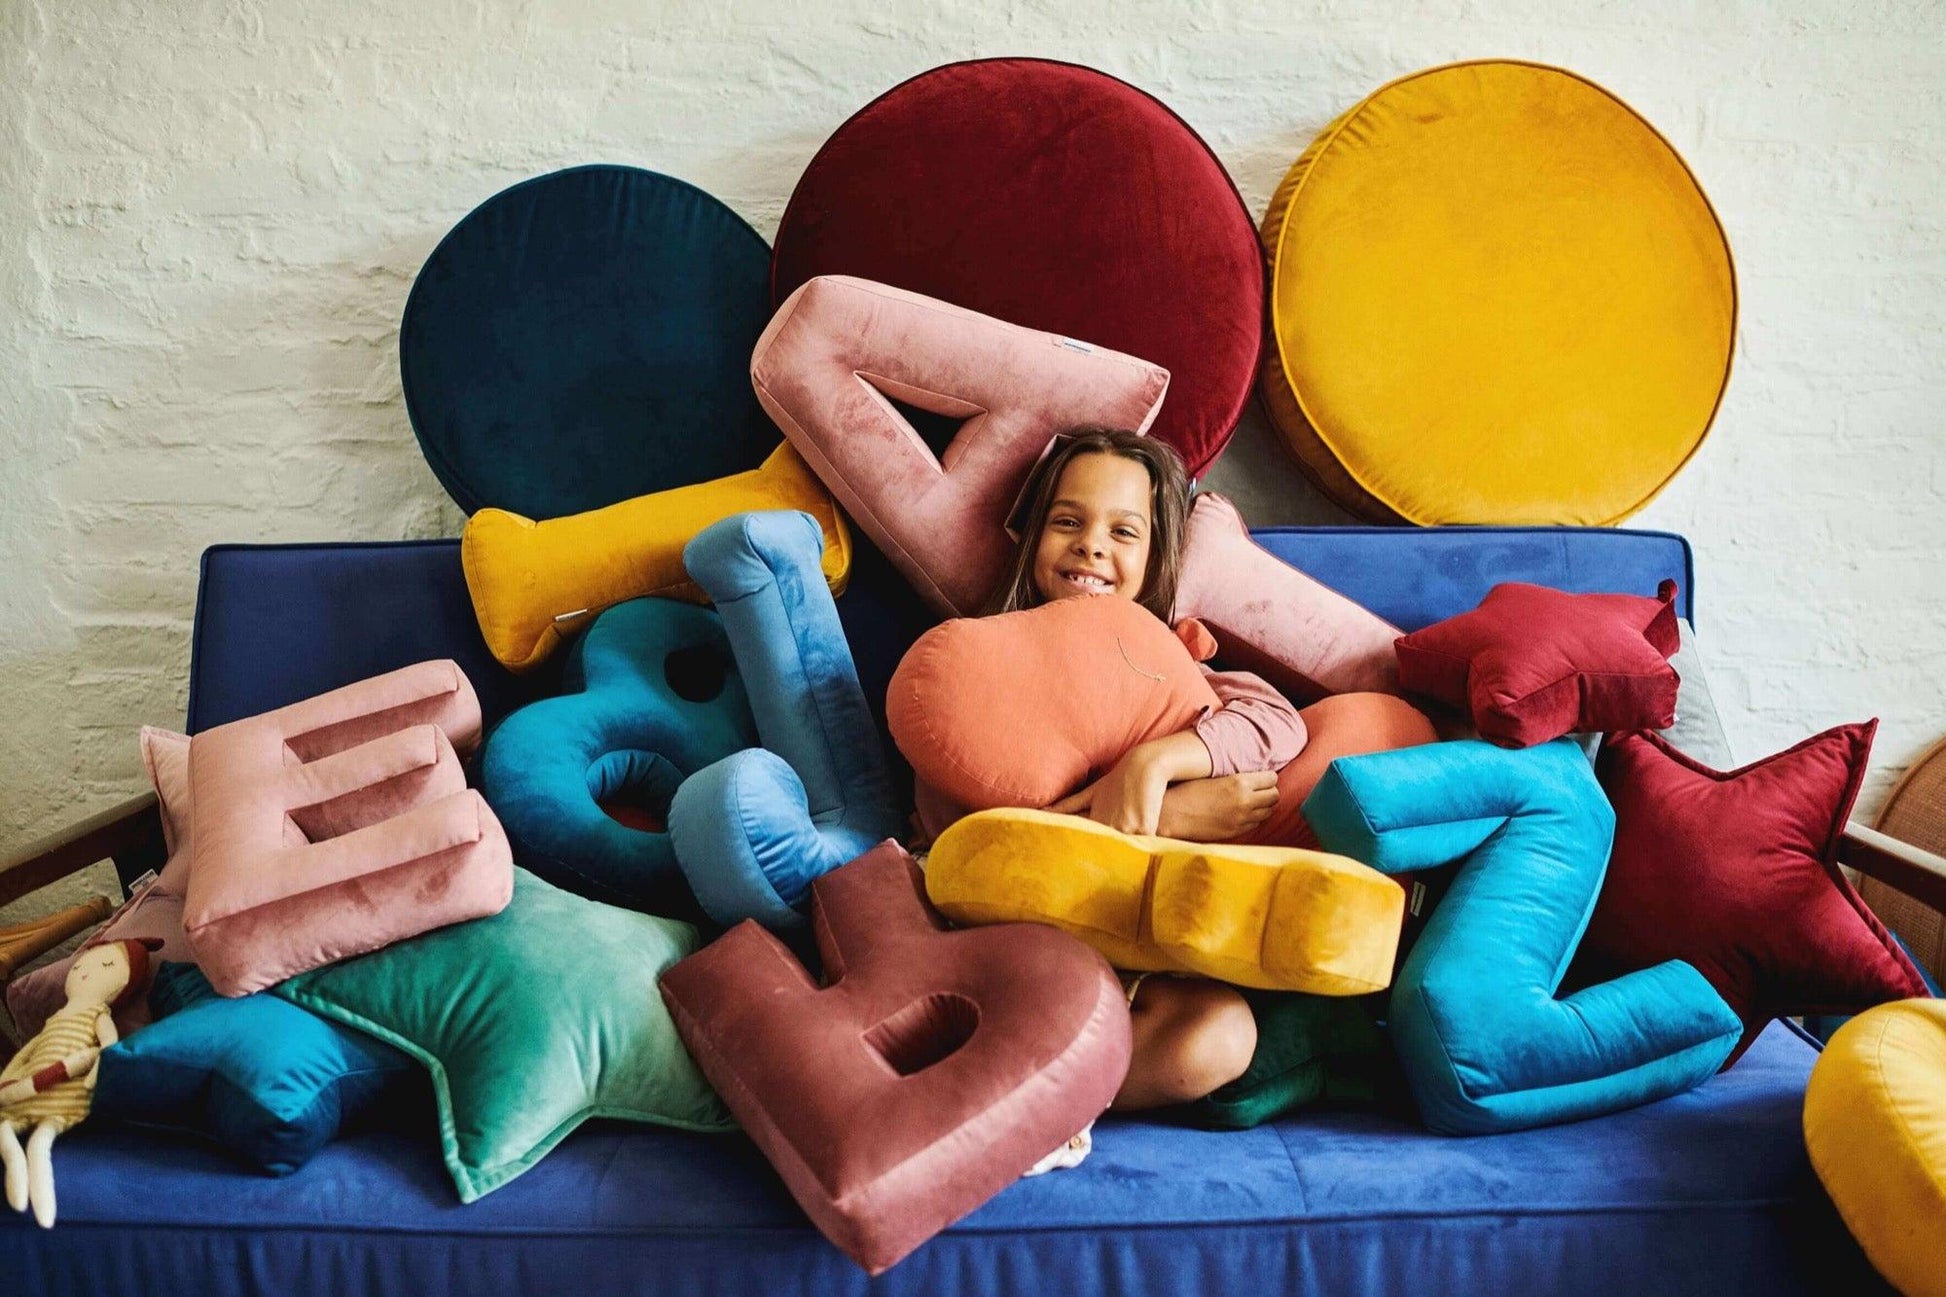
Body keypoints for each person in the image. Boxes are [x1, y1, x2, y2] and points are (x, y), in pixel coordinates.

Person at [979, 427, 1309, 1113]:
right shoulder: (981, 663)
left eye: (1123, 532)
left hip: (1138, 954)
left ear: (1157, 556)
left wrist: (1156, 760)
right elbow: (968, 841)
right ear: (1031, 534)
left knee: (1218, 1034)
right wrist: (1159, 813)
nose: (1092, 545)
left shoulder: (1172, 664)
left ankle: (1032, 1106)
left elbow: (1278, 722)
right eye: (1067, 521)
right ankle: (999, 1099)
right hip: (1017, 944)